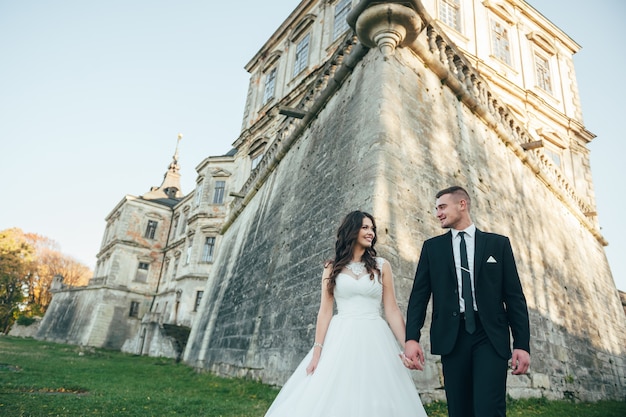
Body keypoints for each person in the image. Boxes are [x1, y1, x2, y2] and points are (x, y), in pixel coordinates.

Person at [265, 210, 428, 417]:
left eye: (372, 228)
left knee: (378, 392)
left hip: (375, 336)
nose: (371, 233)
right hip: (341, 335)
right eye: (365, 227)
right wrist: (317, 353)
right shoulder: (331, 268)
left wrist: (408, 344)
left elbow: (392, 310)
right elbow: (325, 311)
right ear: (352, 231)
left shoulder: (382, 266)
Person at [403, 186, 530, 417]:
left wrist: (522, 344)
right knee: (459, 410)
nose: (438, 213)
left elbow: (514, 298)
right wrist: (412, 338)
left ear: (462, 204)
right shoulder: (432, 248)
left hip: (490, 335)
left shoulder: (498, 245)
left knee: (488, 409)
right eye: (436, 209)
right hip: (452, 337)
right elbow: (419, 297)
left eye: (442, 207)